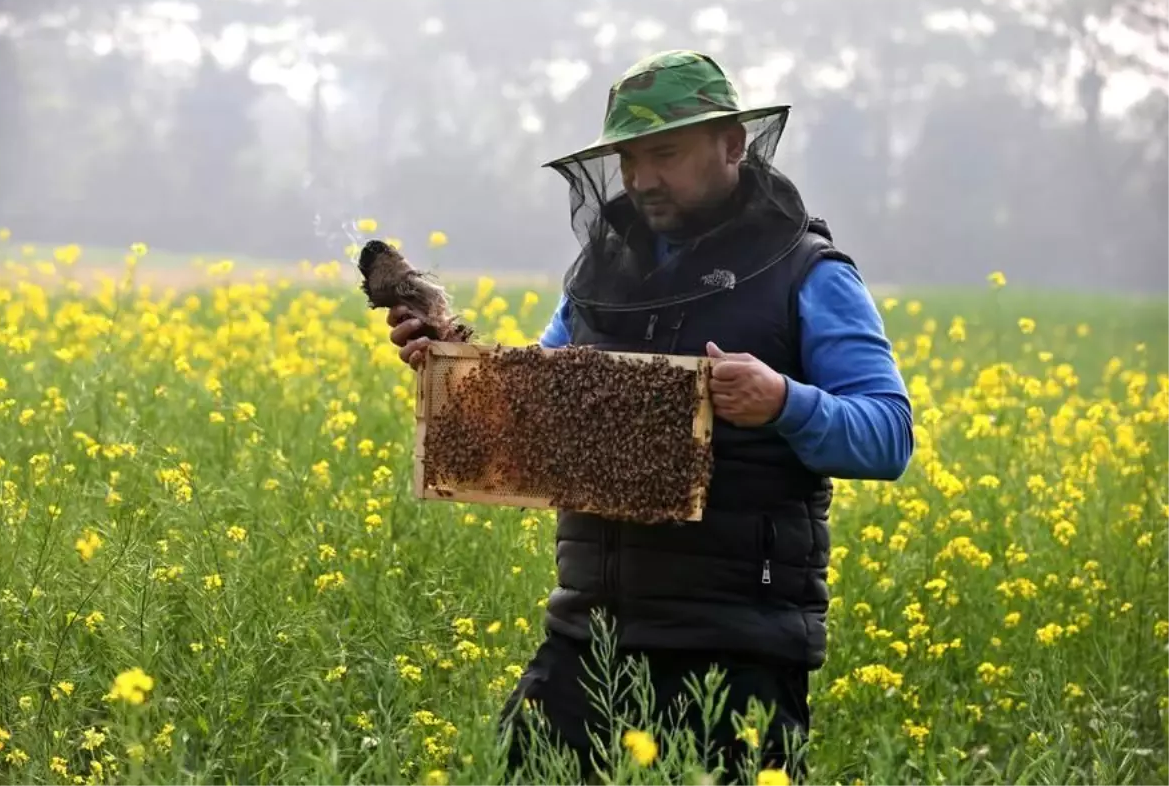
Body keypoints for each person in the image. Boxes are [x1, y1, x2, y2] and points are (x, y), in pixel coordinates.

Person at [387, 49, 913, 783]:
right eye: (628, 159)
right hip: (589, 635)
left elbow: (889, 435)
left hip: (737, 650)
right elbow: (537, 410)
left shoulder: (811, 275)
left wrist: (784, 400)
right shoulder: (601, 281)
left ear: (732, 145)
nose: (640, 180)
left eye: (663, 154)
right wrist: (454, 365)